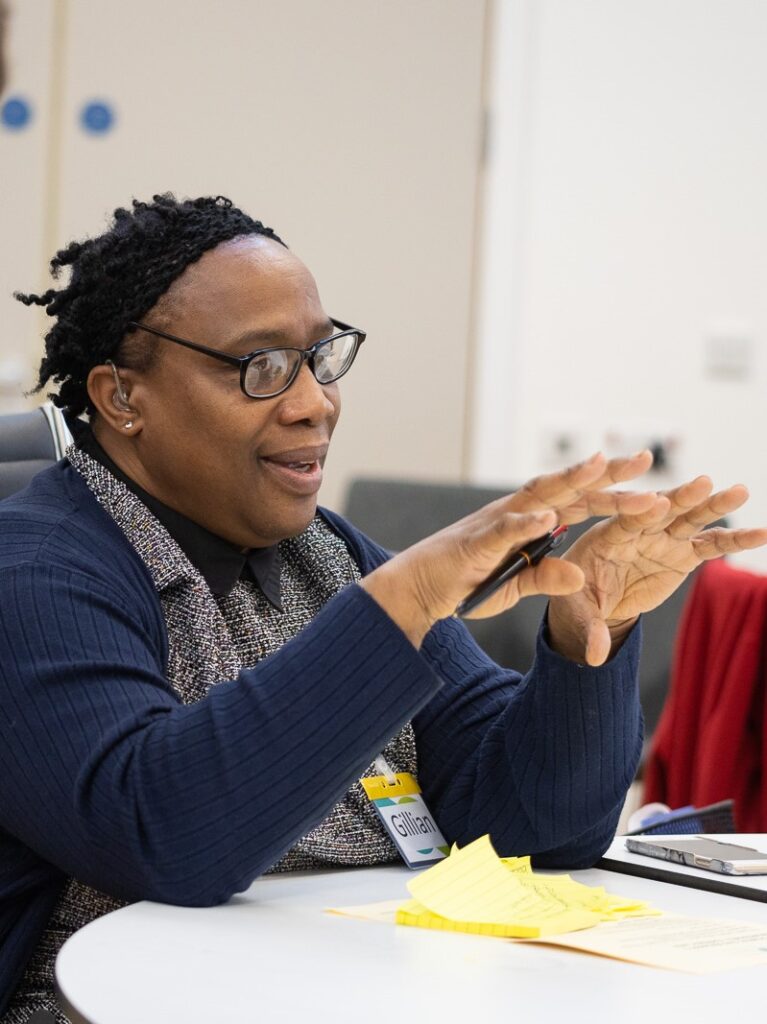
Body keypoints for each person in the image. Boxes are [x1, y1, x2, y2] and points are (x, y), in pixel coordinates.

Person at [0, 194, 764, 1021]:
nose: (312, 403)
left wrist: (590, 627)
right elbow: (163, 835)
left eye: (318, 358)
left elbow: (531, 824)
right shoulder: (36, 569)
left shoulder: (323, 552)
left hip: (359, 984)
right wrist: (407, 597)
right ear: (122, 398)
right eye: (260, 367)